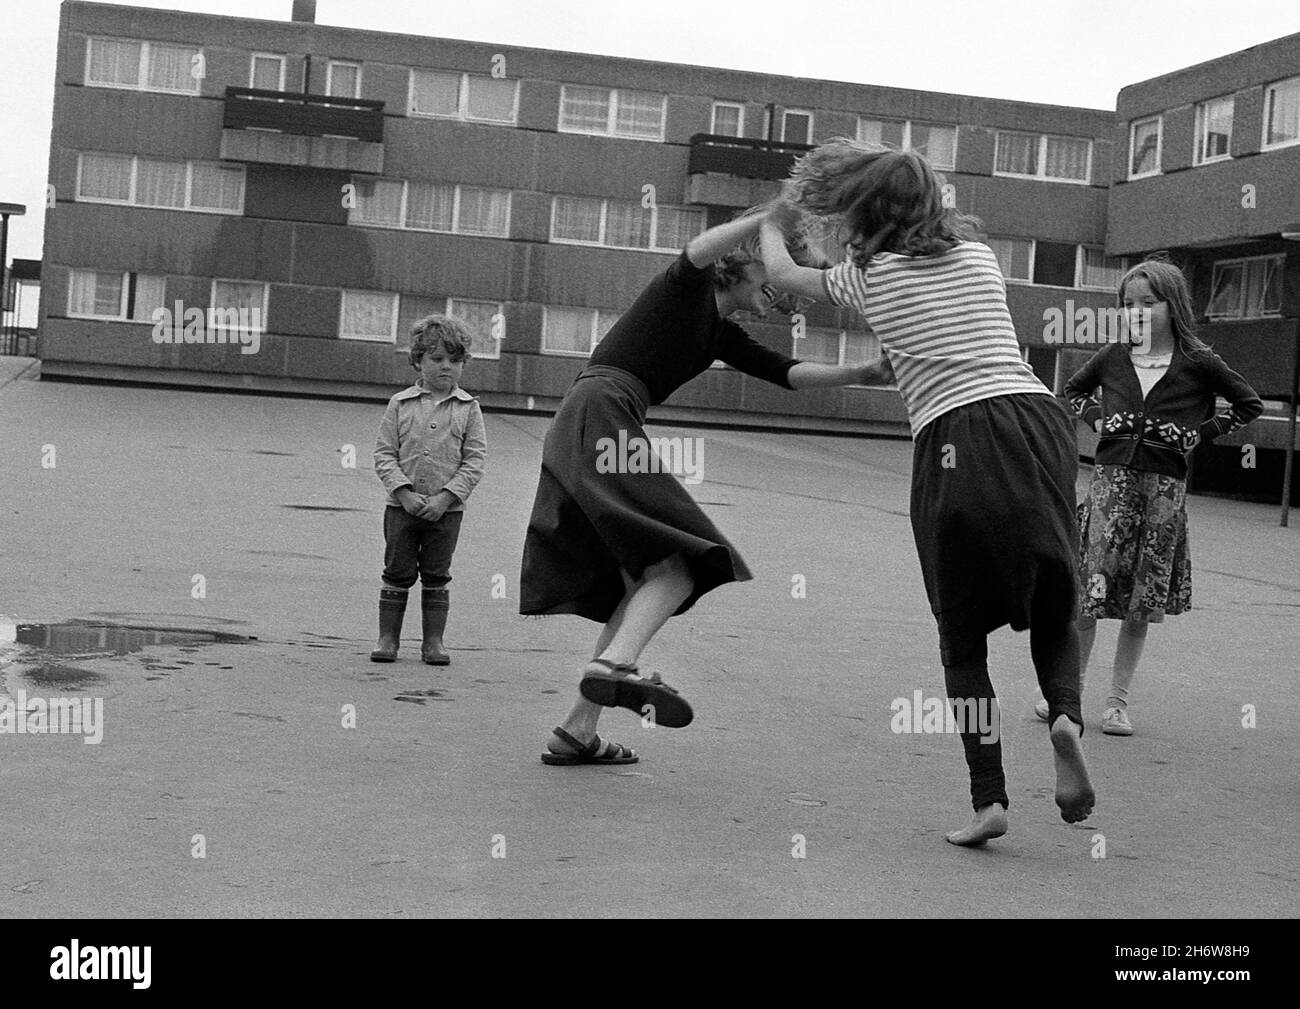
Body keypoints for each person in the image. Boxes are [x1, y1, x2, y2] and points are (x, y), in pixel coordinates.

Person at [759, 139, 1094, 845]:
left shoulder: (869, 277)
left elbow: (783, 271)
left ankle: (989, 799)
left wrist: (770, 215)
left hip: (955, 437)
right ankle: (1065, 714)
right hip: (1039, 423)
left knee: (962, 638)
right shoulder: (980, 258)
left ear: (860, 213)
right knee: (1055, 598)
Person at [522, 209, 888, 767]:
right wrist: (769, 216)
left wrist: (858, 374)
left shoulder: (721, 332)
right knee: (683, 563)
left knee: (641, 580)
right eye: (779, 272)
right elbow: (699, 247)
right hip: (600, 411)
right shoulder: (683, 289)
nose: (787, 292)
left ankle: (577, 730)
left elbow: (786, 372)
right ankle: (614, 668)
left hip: (594, 418)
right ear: (742, 262)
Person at [1031, 261, 1262, 734]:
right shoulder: (1115, 356)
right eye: (1128, 304)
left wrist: (1202, 432)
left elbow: (1248, 404)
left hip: (1162, 496)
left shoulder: (1198, 361)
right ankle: (1066, 695)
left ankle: (1117, 702)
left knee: (1139, 604)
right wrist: (1096, 420)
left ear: (1171, 305)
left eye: (1148, 303)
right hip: (1109, 490)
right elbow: (1074, 389)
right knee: (1088, 598)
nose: (1137, 312)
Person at [371, 315, 487, 665]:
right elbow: (383, 454)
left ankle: (433, 642)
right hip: (400, 508)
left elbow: (475, 460)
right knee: (397, 572)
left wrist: (446, 497)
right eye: (437, 359)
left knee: (437, 574)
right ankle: (388, 638)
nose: (446, 367)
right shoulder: (400, 404)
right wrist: (403, 492)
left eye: (455, 361)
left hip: (446, 513)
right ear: (418, 361)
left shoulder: (469, 409)